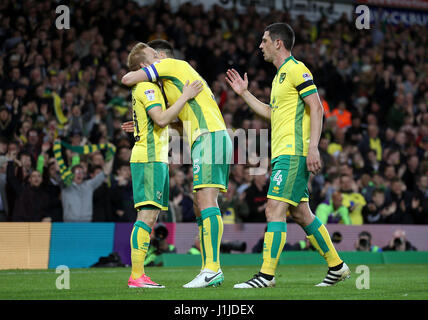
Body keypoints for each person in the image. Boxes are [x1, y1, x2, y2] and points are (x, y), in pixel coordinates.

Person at [226, 23, 349, 288]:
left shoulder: (296, 69)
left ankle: (266, 276)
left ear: (278, 43)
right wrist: (245, 93)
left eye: (264, 40)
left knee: (274, 209)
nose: (261, 46)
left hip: (294, 152)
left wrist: (313, 147)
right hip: (284, 153)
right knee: (302, 214)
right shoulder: (279, 77)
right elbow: (272, 113)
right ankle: (337, 267)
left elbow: (316, 107)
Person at [122, 40, 233, 288]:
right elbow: (175, 124)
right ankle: (207, 268)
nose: (155, 59)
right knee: (198, 204)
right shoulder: (167, 88)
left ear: (161, 57)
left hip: (209, 136)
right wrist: (144, 123)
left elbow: (127, 79)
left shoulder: (170, 65)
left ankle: (212, 268)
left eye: (154, 55)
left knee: (205, 201)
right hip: (200, 139)